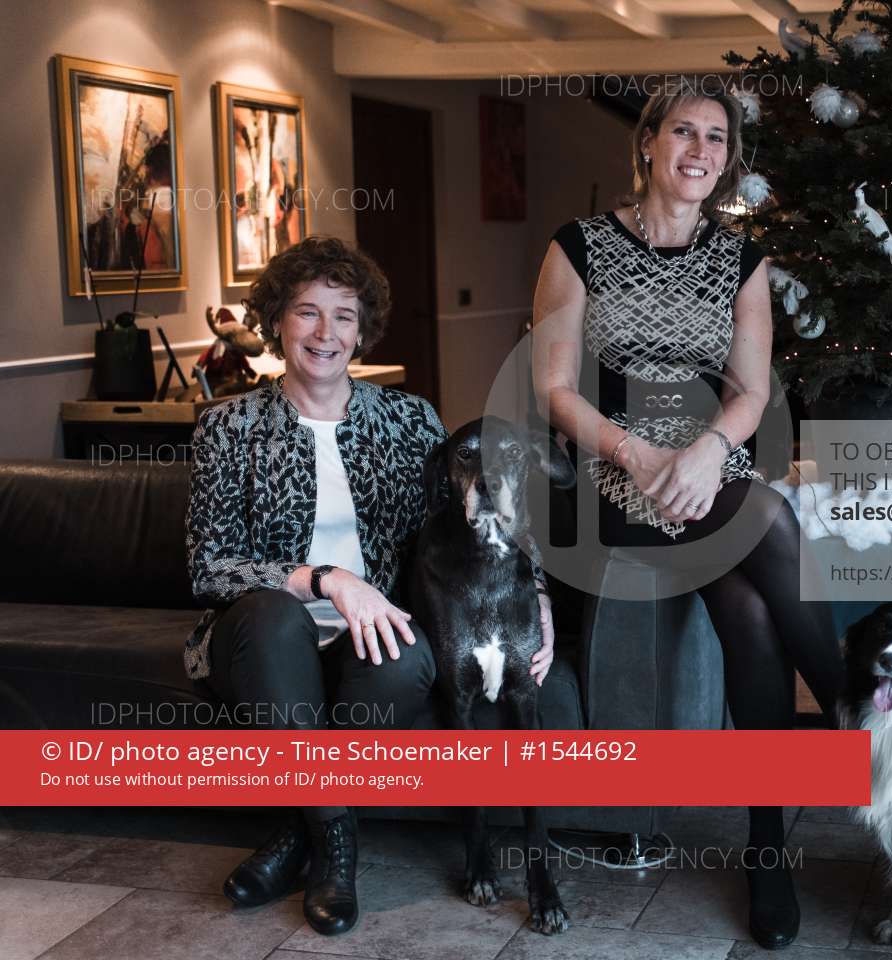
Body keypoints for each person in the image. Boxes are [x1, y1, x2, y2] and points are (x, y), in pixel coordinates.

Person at [530, 81, 844, 950]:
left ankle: (767, 848)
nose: (700, 150)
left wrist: (705, 454)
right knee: (770, 519)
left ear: (727, 158)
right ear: (648, 143)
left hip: (713, 471)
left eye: (716, 137)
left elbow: (751, 394)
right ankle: (861, 715)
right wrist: (637, 454)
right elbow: (553, 387)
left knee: (750, 612)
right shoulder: (578, 246)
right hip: (613, 475)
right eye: (684, 132)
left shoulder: (743, 262)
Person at [184, 236, 555, 935]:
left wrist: (536, 599)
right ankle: (336, 849)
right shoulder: (228, 428)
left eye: (344, 316)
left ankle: (297, 831)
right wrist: (327, 581)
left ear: (363, 330)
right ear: (277, 320)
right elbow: (208, 566)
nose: (325, 332)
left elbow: (480, 521)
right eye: (306, 311)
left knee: (410, 655)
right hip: (265, 639)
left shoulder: (410, 421)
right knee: (273, 618)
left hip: (371, 635)